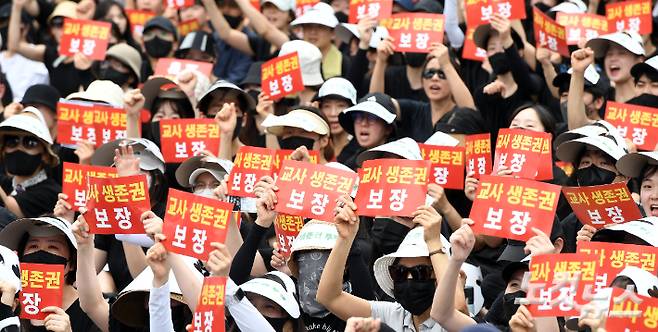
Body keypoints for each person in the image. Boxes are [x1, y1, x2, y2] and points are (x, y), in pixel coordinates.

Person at [317, 192, 458, 331]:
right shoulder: (392, 315)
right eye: (400, 272)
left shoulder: (456, 323)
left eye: (420, 272)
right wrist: (345, 238)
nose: (409, 279)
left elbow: (457, 306)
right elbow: (329, 297)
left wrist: (434, 243)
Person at [0, 216, 97, 331]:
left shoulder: (92, 310)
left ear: (72, 263)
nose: (41, 253)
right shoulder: (8, 299)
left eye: (53, 247)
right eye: (33, 246)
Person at [0, 107, 60, 223]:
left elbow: (10, 210)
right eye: (12, 141)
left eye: (30, 143)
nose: (19, 148)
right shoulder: (6, 183)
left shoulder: (51, 192)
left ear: (45, 154)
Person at [586, 31, 645, 103]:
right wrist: (577, 72)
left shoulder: (651, 103)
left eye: (621, 53)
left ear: (639, 61)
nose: (613, 58)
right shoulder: (601, 101)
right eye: (609, 54)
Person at [261, 106, 334, 164]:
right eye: (289, 132)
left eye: (304, 132)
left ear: (324, 141)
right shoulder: (278, 175)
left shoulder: (337, 172)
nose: (295, 137)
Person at [314, 77, 357, 157]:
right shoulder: (316, 145)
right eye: (327, 106)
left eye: (340, 106)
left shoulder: (360, 149)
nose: (333, 113)